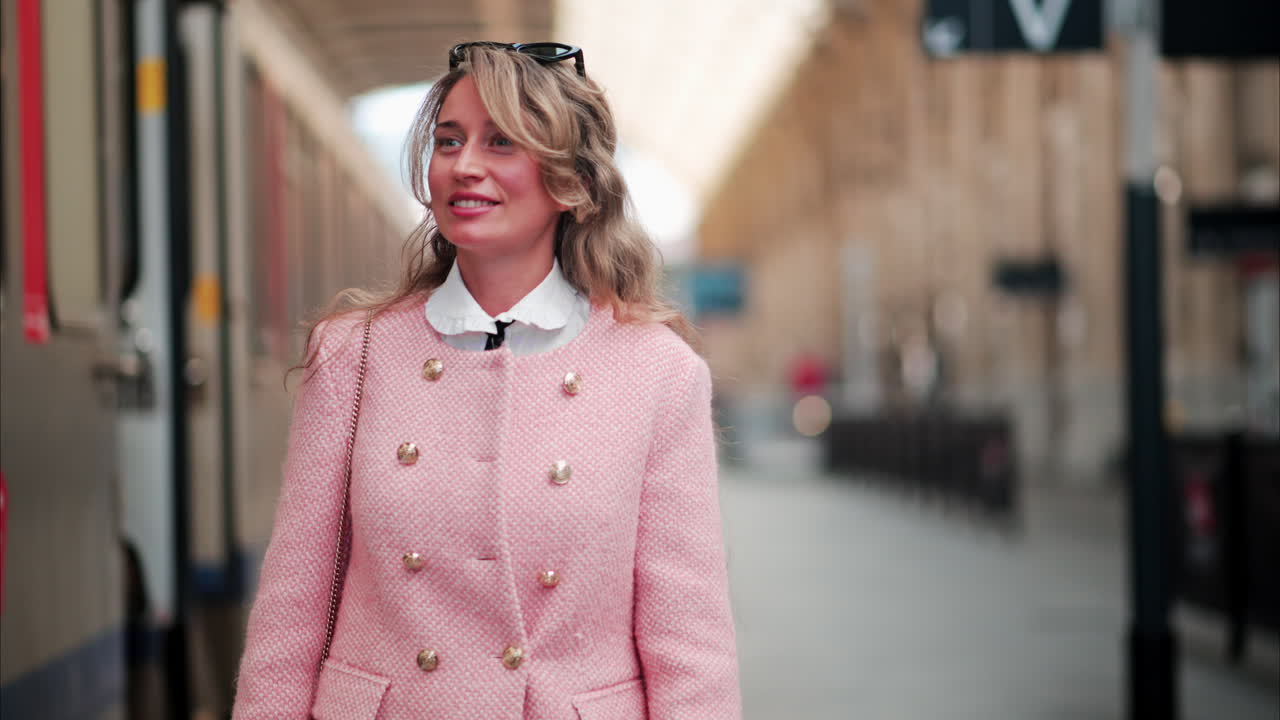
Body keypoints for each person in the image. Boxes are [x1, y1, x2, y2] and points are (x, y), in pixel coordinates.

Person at [232, 42, 740, 719]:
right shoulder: (353, 355)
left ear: (570, 181)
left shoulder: (658, 373)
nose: (464, 166)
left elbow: (690, 646)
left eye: (501, 143)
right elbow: (292, 612)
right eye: (448, 141)